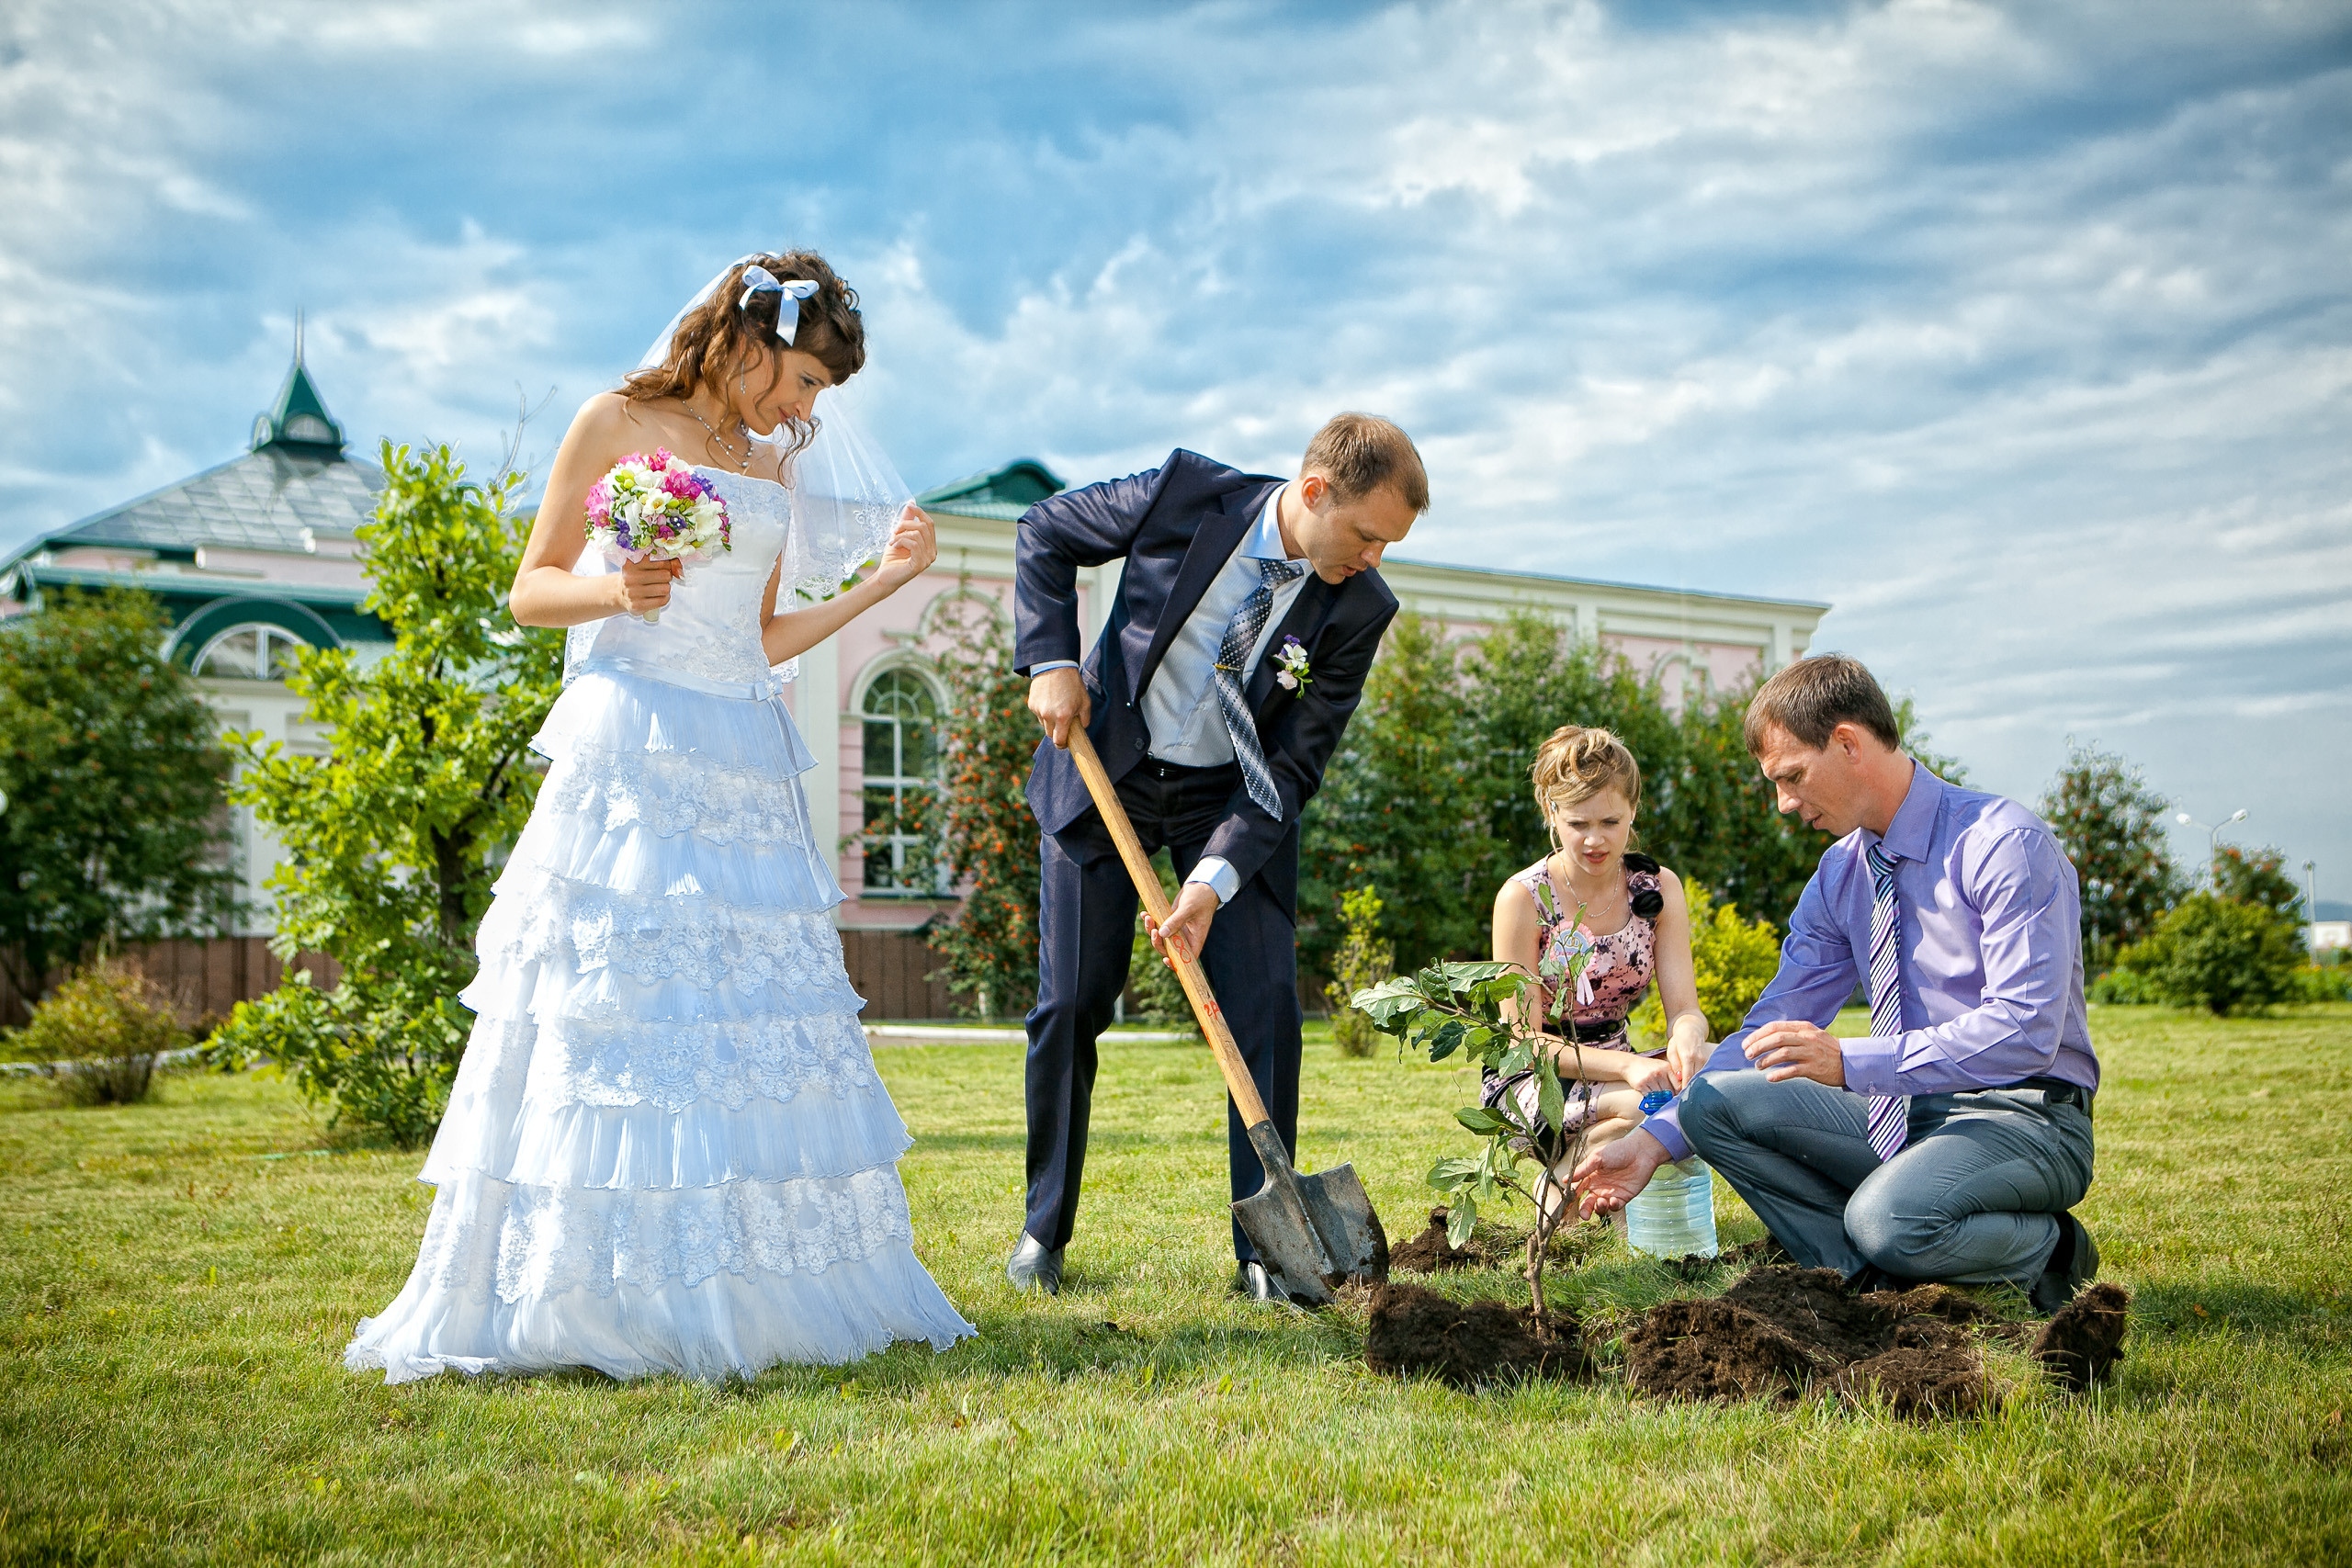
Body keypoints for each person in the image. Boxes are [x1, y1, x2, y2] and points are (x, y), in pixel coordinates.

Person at [345, 252, 976, 1383]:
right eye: (805, 380)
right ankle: (591, 1289)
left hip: (739, 751)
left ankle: (742, 1287)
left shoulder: (769, 466)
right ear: (751, 340)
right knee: (620, 1008)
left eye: (823, 393)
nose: (808, 409)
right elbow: (530, 588)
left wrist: (882, 583)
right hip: (632, 741)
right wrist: (613, 589)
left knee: (735, 1020)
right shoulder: (615, 421)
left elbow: (760, 639)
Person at [1011, 413, 1427, 1299]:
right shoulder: (1186, 494)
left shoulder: (1359, 606)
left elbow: (1293, 763)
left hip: (1229, 800)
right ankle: (1043, 1230)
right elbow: (1045, 530)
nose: (1374, 558)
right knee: (1071, 1001)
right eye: (1366, 534)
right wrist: (1050, 659)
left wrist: (1211, 882)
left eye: (1388, 544)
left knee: (1266, 1003)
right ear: (1314, 491)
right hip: (1109, 765)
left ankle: (1264, 1252)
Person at [1573, 655, 2101, 1312]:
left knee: (1888, 1220)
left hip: (2024, 1114)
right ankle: (1863, 1285)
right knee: (1712, 1103)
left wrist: (1849, 1061)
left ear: (1848, 743)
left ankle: (2049, 1250)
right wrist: (1654, 1141)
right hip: (1901, 1111)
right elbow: (1773, 1022)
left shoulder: (2003, 844)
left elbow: (2026, 1030)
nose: (1785, 804)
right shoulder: (1841, 872)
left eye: (1792, 776)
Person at [1486, 727, 1708, 1201]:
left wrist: (1688, 1036)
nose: (1594, 839)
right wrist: (1627, 1066)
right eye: (1577, 823)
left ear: (1633, 810)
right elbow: (1522, 1041)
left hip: (1619, 1066)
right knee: (1655, 1106)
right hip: (1539, 1077)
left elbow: (1685, 1009)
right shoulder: (1522, 899)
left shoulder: (1658, 888)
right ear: (1552, 813)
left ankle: (1577, 1188)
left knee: (1724, 1072)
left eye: (1610, 821)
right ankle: (1562, 1194)